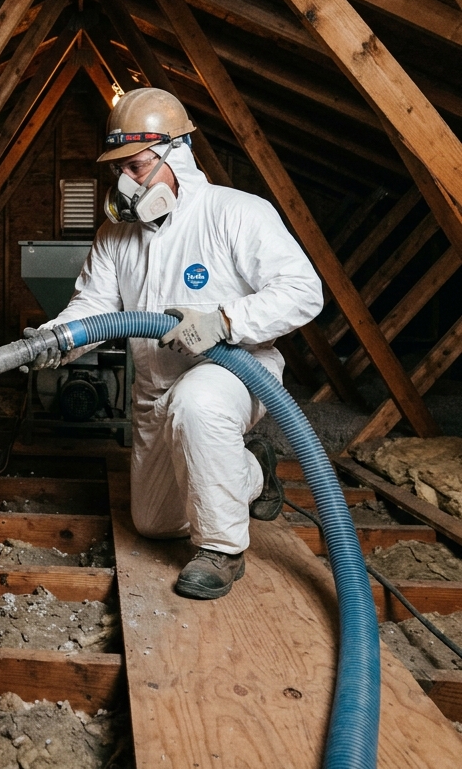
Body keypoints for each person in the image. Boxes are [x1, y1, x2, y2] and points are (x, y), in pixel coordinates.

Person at [27, 88, 323, 599]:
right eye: (118, 169)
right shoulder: (114, 237)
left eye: (138, 167)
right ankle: (251, 470)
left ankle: (221, 551)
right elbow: (93, 308)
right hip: (154, 387)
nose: (125, 182)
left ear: (177, 154)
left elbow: (303, 292)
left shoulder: (236, 213)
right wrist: (59, 338)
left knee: (198, 402)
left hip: (233, 375)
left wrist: (226, 321)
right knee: (154, 522)